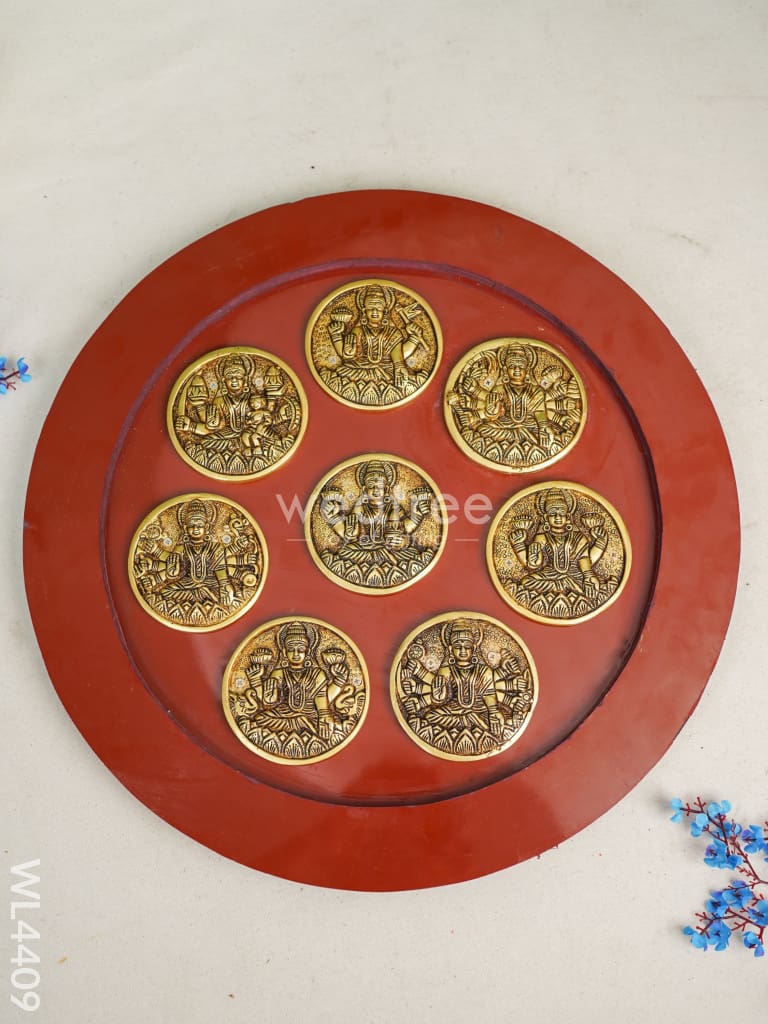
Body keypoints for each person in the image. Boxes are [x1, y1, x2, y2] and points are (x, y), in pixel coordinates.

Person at [321, 460, 434, 588]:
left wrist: (416, 516)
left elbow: (404, 528)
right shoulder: (360, 507)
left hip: (391, 549)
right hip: (364, 548)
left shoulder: (393, 507)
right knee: (344, 552)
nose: (375, 490)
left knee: (411, 552)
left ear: (386, 488)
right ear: (364, 489)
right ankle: (386, 568)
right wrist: (333, 518)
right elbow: (349, 533)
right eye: (371, 486)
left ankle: (373, 569)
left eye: (379, 486)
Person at [324, 284, 426, 404]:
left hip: (386, 370)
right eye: (371, 308)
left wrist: (414, 338)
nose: (375, 312)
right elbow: (346, 355)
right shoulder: (358, 330)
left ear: (385, 311)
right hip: (359, 369)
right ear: (364, 311)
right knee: (342, 372)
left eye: (378, 308)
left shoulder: (393, 332)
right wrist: (336, 335)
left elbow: (400, 354)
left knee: (402, 379)